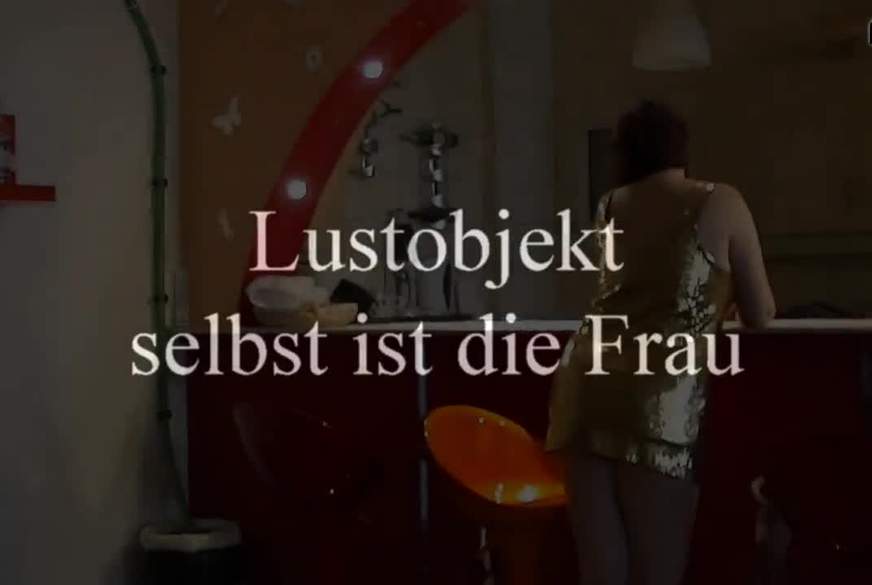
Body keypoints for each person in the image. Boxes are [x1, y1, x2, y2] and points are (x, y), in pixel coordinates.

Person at [546, 100, 776, 585]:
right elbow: (761, 313)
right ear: (681, 146)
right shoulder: (720, 200)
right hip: (658, 398)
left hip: (584, 386)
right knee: (658, 571)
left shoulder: (610, 205)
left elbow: (632, 287)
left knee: (602, 572)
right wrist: (718, 302)